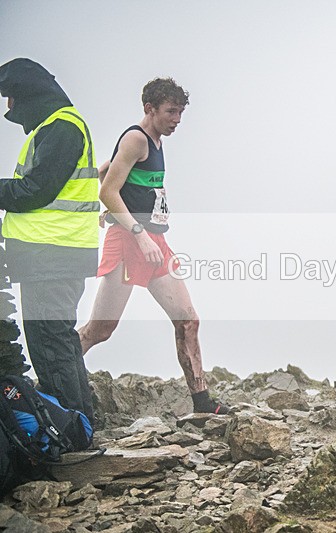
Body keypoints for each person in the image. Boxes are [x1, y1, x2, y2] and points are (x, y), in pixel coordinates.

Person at [78, 78, 228, 414]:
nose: (177, 119)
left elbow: (106, 172)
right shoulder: (136, 139)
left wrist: (120, 211)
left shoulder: (156, 141)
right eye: (170, 112)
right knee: (100, 329)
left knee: (187, 320)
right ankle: (51, 380)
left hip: (155, 242)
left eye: (180, 113)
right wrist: (133, 228)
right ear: (150, 109)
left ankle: (203, 404)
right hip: (133, 242)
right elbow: (107, 190)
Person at [0, 58, 98, 422]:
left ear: (30, 95)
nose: (10, 109)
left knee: (50, 347)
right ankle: (80, 425)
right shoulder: (60, 126)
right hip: (56, 255)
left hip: (52, 256)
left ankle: (71, 437)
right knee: (60, 342)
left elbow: (35, 190)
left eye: (12, 99)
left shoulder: (61, 128)